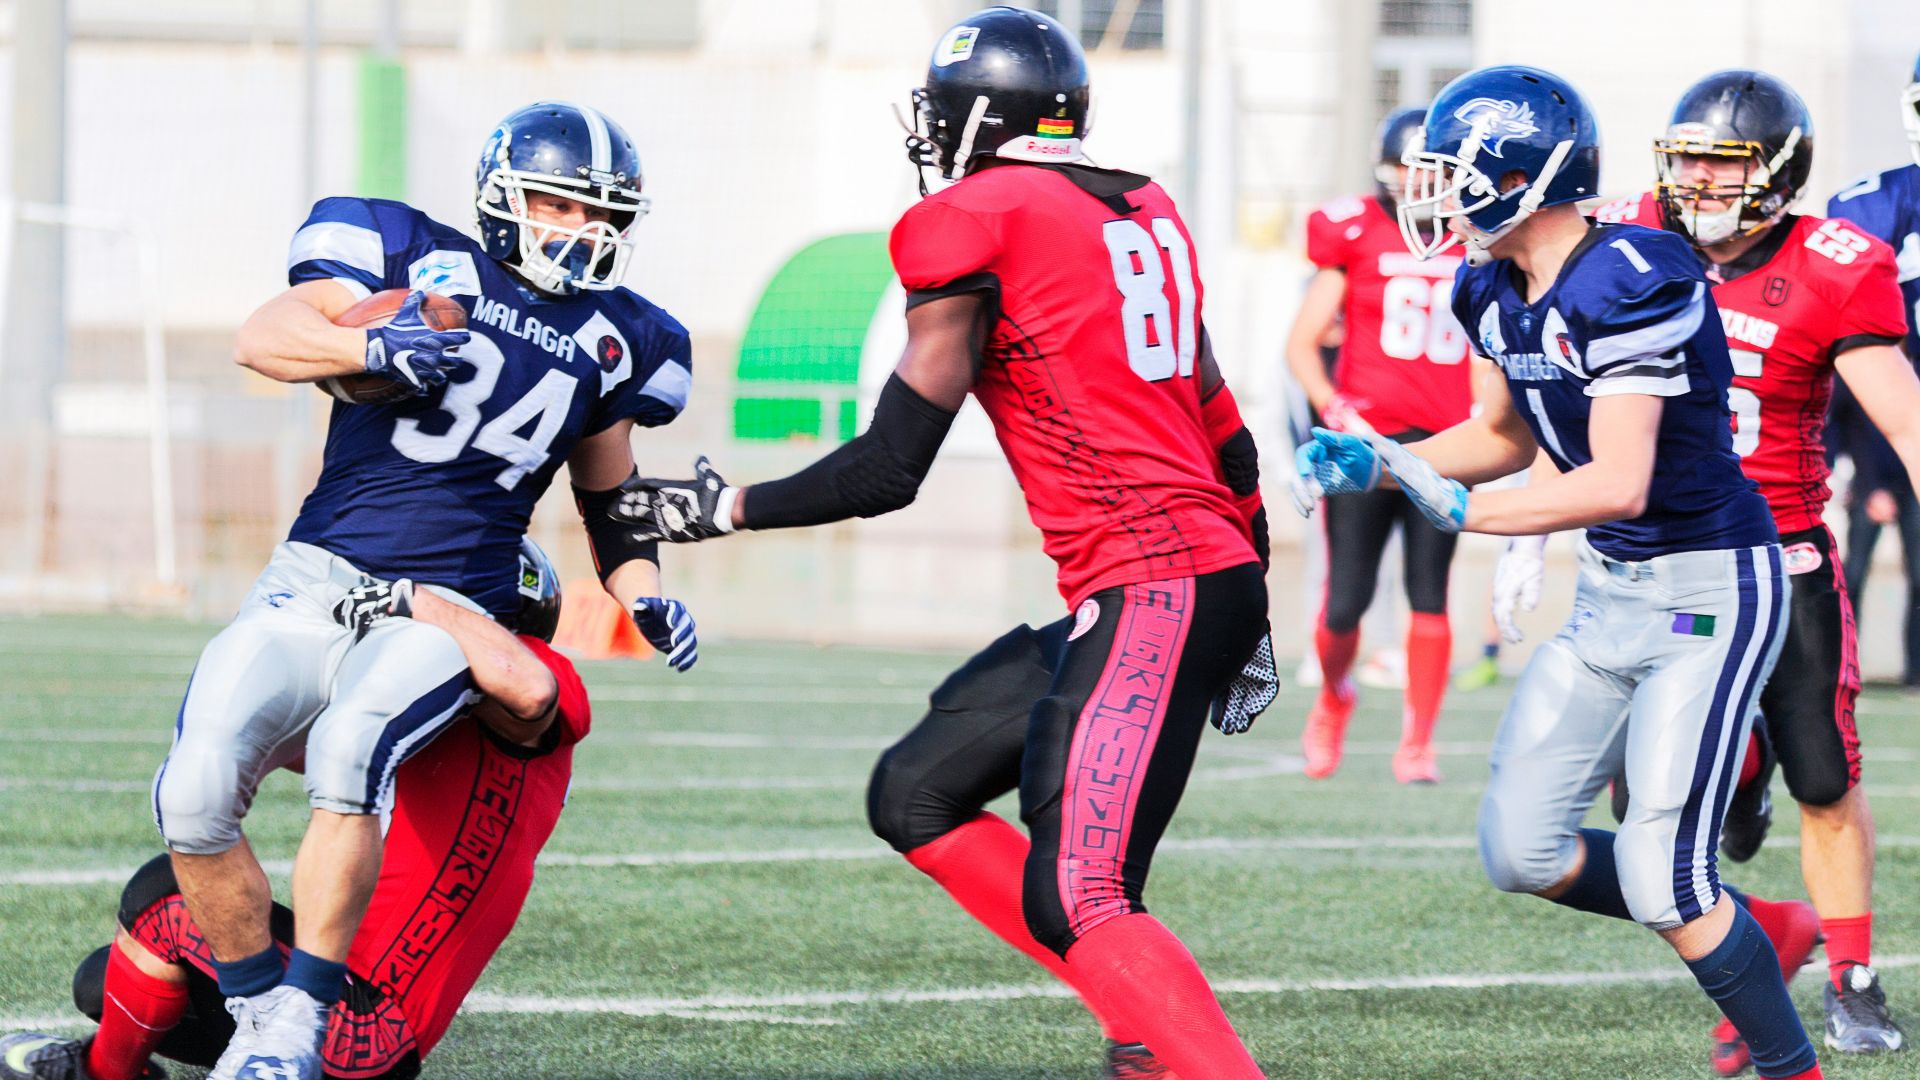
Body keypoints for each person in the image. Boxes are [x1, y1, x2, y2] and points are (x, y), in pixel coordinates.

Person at [605, 9, 1276, 1077]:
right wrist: (1255, 602)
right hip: (1200, 573)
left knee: (1083, 894)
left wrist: (721, 506)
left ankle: (1182, 1049)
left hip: (1152, 582)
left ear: (972, 116)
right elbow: (1225, 430)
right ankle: (1138, 1013)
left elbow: (888, 469)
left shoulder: (970, 218)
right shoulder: (1144, 206)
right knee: (916, 792)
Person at [146, 101, 699, 1080]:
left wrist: (642, 589)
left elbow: (609, 498)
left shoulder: (626, 337)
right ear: (500, 193)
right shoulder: (406, 252)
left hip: (457, 597)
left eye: (600, 216)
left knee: (355, 750)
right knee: (191, 793)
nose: (578, 231)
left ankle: (303, 1030)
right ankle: (261, 1016)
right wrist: (374, 349)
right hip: (316, 576)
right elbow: (264, 334)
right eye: (557, 204)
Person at [1294, 65, 1825, 1079]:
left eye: (1452, 172)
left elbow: (1619, 481)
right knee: (1521, 853)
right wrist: (1390, 456)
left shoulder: (1633, 274)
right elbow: (1495, 433)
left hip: (1710, 587)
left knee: (1665, 878)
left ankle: (1787, 1065)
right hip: (1617, 591)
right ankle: (1770, 932)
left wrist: (1471, 513)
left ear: (1518, 174)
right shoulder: (1487, 284)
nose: (1433, 193)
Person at [1582, 70, 1915, 1064]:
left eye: (1721, 163)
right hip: (1668, 565)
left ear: (1776, 170)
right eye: (1685, 159)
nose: (1697, 182)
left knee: (1824, 776)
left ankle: (1853, 976)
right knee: (1640, 803)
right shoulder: (1623, 236)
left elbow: (1901, 417)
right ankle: (1766, 899)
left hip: (1786, 554)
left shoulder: (1833, 263)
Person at [1, 542, 589, 1080]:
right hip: (358, 1023)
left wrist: (416, 601)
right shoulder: (451, 714)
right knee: (108, 980)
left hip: (363, 1028)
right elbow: (305, 744)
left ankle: (100, 1074)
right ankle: (122, 1061)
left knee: (164, 895)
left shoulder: (538, 674)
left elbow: (526, 686)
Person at [1286, 104, 1473, 782]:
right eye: (1404, 167)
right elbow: (1302, 344)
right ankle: (1334, 700)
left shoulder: (1477, 235)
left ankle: (1419, 739)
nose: (1415, 182)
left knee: (1430, 592)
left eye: (1429, 169)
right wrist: (1336, 408)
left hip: (1448, 444)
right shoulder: (1356, 229)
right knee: (1345, 600)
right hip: (1366, 443)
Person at [1830, 48, 1920, 696]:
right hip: (1874, 445)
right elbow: (1837, 371)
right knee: (1847, 572)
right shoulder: (1868, 207)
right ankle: (1842, 668)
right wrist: (1852, 464)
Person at [1830, 378, 1920, 686]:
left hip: (1911, 488)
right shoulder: (1860, 367)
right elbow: (1840, 428)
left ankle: (1916, 672)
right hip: (1867, 486)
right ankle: (1843, 664)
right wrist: (1869, 487)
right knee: (1851, 576)